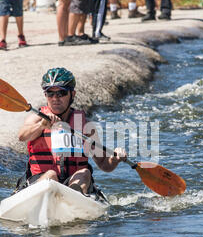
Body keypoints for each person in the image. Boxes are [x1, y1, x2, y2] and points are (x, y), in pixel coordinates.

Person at [17, 67, 127, 195]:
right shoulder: (37, 118)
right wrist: (41, 125)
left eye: (61, 93)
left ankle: (74, 197)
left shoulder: (85, 125)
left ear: (72, 95)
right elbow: (22, 136)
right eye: (50, 93)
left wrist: (114, 159)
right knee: (51, 175)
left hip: (74, 183)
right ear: (45, 95)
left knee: (84, 172)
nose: (55, 98)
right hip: (41, 180)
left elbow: (104, 165)